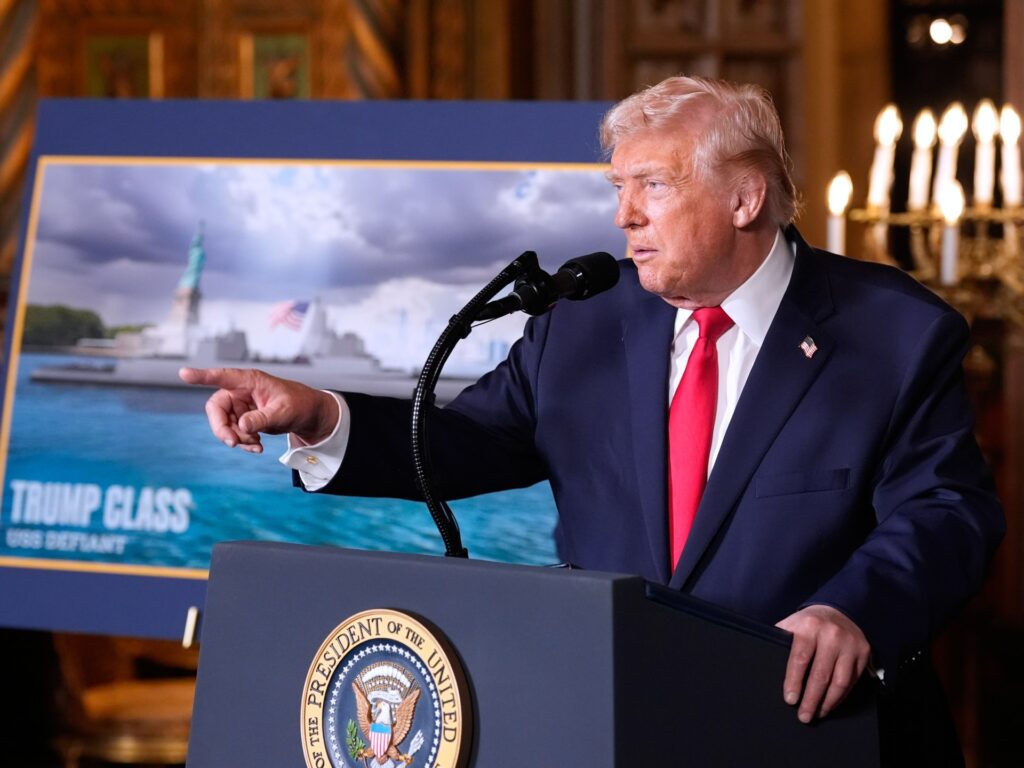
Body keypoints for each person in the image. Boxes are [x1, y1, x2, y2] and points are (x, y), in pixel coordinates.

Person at [181, 75, 1004, 761]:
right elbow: (463, 444)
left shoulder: (895, 332)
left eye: (654, 185)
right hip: (614, 726)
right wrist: (319, 416)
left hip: (814, 733)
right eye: (619, 188)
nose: (624, 216)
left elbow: (947, 511)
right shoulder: (583, 321)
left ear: (745, 198)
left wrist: (855, 609)